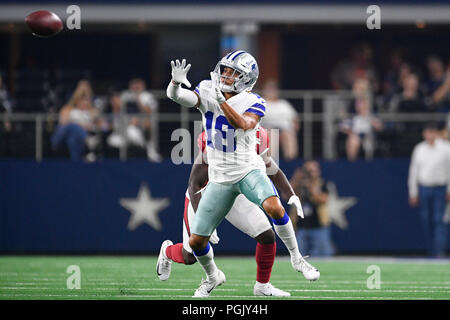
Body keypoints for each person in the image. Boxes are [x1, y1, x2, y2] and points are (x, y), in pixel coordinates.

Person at [166, 52, 319, 298]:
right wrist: (174, 83)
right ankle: (212, 276)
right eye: (225, 70)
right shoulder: (207, 90)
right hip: (217, 180)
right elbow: (178, 98)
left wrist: (291, 195)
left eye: (232, 72)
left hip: (247, 171)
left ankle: (296, 260)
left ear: (246, 79)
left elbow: (245, 128)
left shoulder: (254, 102)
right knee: (194, 245)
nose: (226, 75)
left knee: (274, 209)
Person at [157, 127, 305, 297]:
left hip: (235, 192)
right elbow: (194, 185)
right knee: (190, 255)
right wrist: (202, 219)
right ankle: (168, 252)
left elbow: (271, 168)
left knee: (266, 235)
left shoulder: (257, 135)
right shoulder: (215, 137)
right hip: (204, 194)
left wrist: (291, 195)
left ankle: (263, 286)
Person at [408, 122, 450, 258]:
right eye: (427, 132)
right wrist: (413, 192)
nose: (430, 135)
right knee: (426, 220)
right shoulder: (419, 149)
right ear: (424, 134)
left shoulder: (446, 149)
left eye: (432, 131)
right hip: (424, 188)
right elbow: (413, 172)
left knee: (439, 220)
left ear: (437, 133)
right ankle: (431, 250)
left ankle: (439, 252)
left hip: (440, 189)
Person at [289, 161, 334, 257]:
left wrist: (311, 187)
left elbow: (323, 200)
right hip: (301, 227)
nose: (309, 174)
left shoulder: (322, 184)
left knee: (324, 256)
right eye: (307, 171)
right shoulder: (299, 185)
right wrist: (296, 178)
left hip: (319, 227)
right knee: (299, 258)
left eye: (312, 171)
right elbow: (287, 195)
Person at [51, 79, 100, 161]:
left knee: (72, 138)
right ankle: (88, 139)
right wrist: (79, 124)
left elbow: (96, 122)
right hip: (60, 137)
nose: (83, 103)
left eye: (85, 100)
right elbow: (64, 123)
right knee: (72, 125)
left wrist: (87, 96)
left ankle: (76, 162)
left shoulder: (91, 111)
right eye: (81, 100)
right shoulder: (68, 109)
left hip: (76, 138)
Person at [340, 77, 383, 161]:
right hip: (355, 135)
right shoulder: (351, 107)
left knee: (367, 142)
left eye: (361, 89)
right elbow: (344, 126)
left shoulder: (373, 106)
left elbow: (380, 126)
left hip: (370, 136)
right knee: (353, 140)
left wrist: (369, 118)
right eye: (356, 89)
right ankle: (352, 166)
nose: (359, 92)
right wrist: (351, 132)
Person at [120, 78, 162, 162]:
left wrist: (138, 98)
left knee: (149, 124)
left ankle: (150, 150)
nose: (135, 86)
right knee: (130, 131)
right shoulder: (126, 95)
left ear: (143, 85)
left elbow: (149, 111)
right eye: (134, 84)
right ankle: (144, 148)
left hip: (145, 123)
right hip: (127, 124)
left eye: (138, 84)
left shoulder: (148, 96)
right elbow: (119, 110)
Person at [260, 79, 299, 160]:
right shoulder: (261, 103)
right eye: (269, 88)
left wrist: (293, 128)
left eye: (273, 88)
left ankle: (290, 162)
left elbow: (295, 119)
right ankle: (270, 163)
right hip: (267, 129)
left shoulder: (284, 103)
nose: (271, 91)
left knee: (288, 135)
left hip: (284, 130)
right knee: (272, 134)